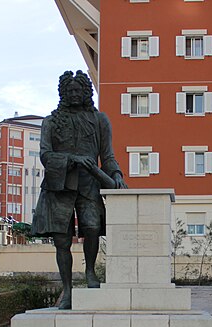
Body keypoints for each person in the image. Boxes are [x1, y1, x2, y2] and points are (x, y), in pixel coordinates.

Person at [31, 70, 127, 309]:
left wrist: (116, 174)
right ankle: (67, 290)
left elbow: (108, 155)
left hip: (89, 183)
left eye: (78, 90)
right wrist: (71, 159)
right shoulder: (51, 122)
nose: (74, 94)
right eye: (69, 91)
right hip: (59, 185)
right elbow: (45, 155)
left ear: (86, 92)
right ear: (63, 93)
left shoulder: (99, 120)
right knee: (62, 240)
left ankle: (91, 272)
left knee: (92, 228)